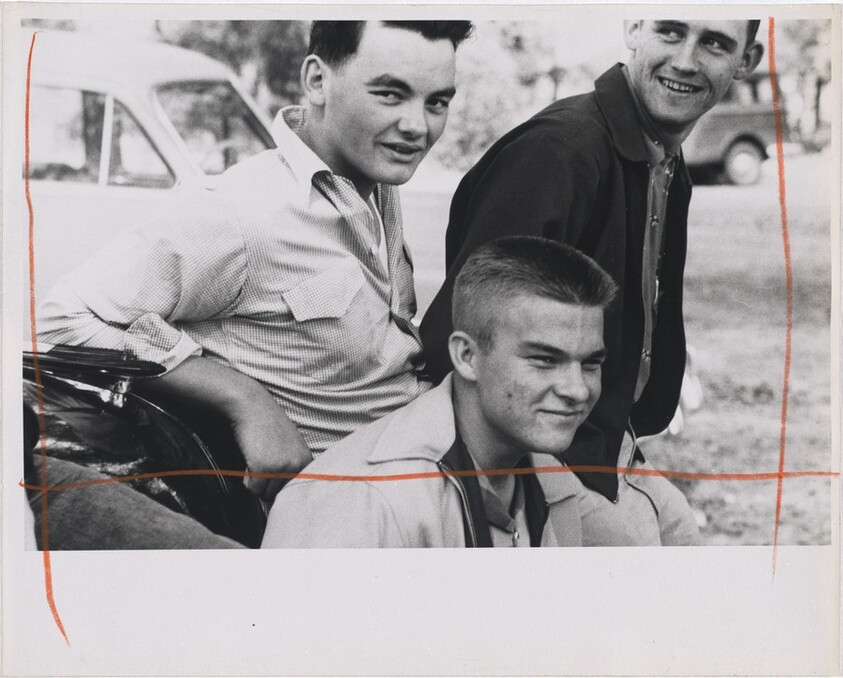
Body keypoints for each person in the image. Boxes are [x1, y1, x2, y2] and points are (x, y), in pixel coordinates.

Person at [36, 20, 473, 503]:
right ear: (316, 80)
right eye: (390, 94)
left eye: (437, 101)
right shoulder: (237, 211)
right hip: (341, 506)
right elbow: (61, 320)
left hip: (425, 471)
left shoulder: (376, 182)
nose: (418, 126)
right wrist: (244, 400)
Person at [419, 20, 763, 544]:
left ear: (747, 60)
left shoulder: (663, 159)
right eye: (670, 32)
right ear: (634, 28)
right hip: (535, 461)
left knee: (685, 546)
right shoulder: (562, 151)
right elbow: (459, 339)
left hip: (604, 446)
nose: (687, 61)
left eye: (715, 42)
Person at [262, 237, 617, 548]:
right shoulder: (362, 502)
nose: (577, 389)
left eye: (590, 363)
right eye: (544, 360)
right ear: (466, 356)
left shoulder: (549, 478)